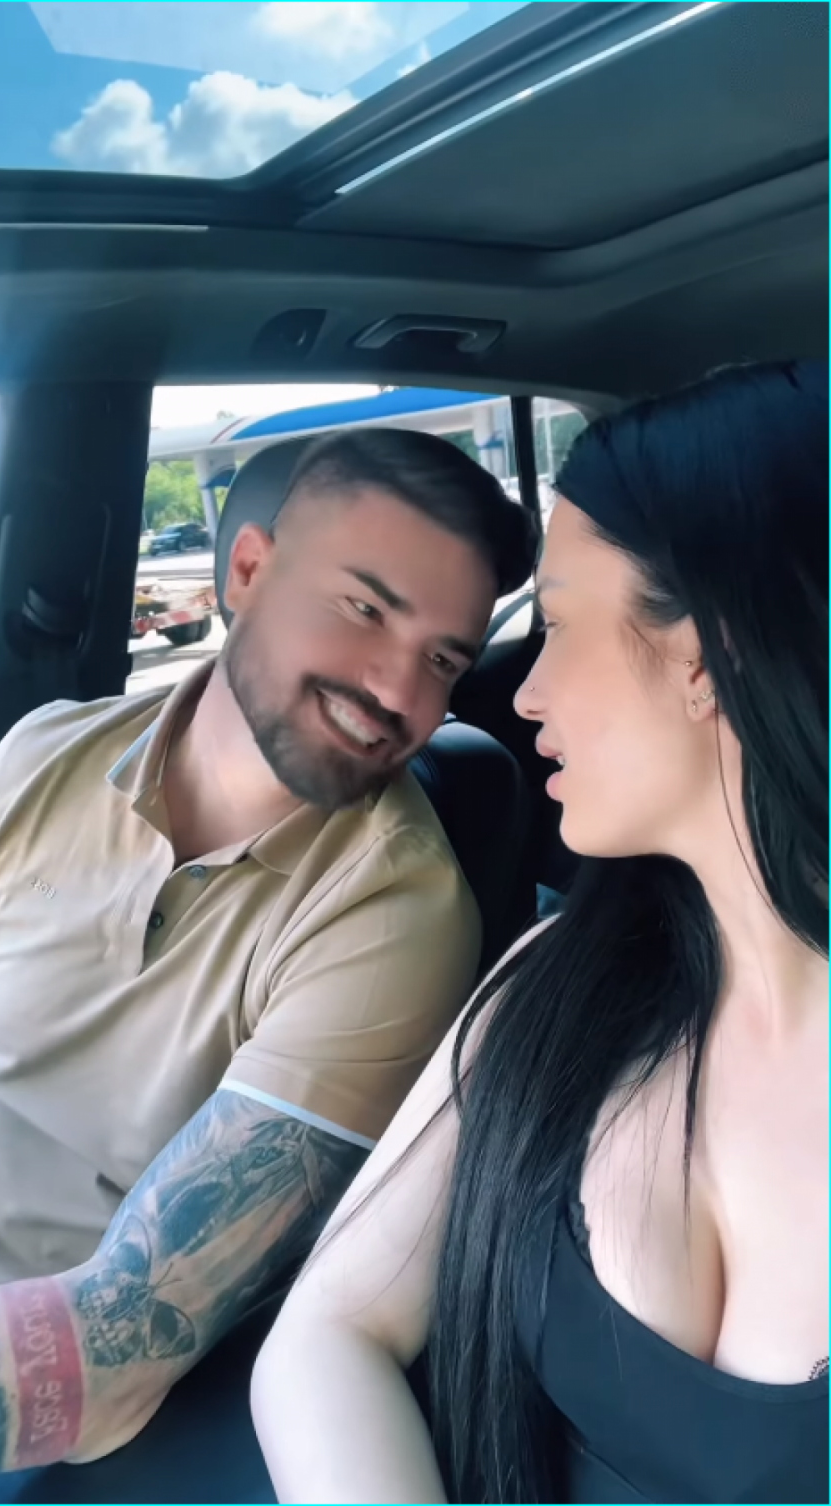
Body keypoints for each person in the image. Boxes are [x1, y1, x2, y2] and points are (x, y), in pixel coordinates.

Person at [252, 361, 829, 1505]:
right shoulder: (552, 985)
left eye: (555, 625)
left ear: (708, 655)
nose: (521, 694)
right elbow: (327, 1332)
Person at [0, 427, 534, 1486]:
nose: (400, 690)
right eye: (365, 609)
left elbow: (115, 1345)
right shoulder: (42, 756)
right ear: (249, 571)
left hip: (35, 1411)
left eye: (444, 658)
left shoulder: (394, 911)